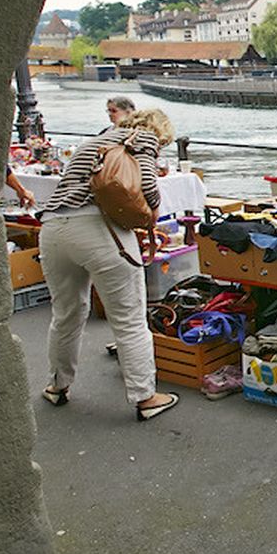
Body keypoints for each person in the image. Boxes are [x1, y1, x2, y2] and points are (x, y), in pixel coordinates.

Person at [37, 108, 179, 421]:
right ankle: (146, 397)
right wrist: (151, 214)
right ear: (159, 132)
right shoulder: (144, 139)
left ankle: (57, 385)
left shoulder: (96, 141)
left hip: (53, 229)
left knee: (66, 314)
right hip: (99, 230)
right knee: (129, 317)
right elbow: (146, 186)